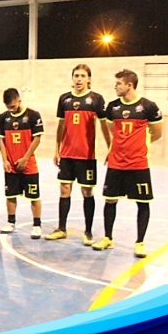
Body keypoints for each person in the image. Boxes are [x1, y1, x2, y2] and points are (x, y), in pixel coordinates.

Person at [92, 69, 163, 258]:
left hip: (138, 164)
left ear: (129, 85)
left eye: (119, 83)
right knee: (110, 200)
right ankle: (108, 237)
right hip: (116, 163)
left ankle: (140, 242)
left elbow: (157, 132)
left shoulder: (148, 107)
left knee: (143, 202)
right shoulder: (112, 107)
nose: (116, 86)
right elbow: (112, 130)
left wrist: (140, 146)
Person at [47, 64, 111, 244]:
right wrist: (56, 149)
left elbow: (104, 125)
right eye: (76, 76)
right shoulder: (64, 99)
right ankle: (61, 228)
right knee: (64, 189)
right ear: (72, 78)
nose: (79, 79)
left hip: (86, 156)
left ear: (89, 79)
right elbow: (61, 126)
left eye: (83, 76)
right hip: (67, 155)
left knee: (86, 191)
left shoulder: (96, 99)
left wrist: (110, 147)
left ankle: (88, 232)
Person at [0, 88, 44, 238]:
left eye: (13, 105)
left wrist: (25, 158)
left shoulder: (33, 115)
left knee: (34, 196)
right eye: (8, 107)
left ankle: (37, 225)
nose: (11, 109)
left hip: (28, 164)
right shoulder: (4, 117)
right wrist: (4, 160)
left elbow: (37, 139)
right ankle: (11, 222)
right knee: (10, 195)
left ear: (19, 100)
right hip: (11, 165)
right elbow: (2, 140)